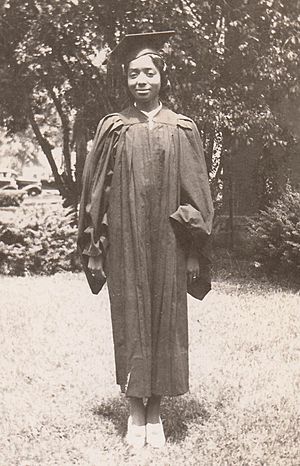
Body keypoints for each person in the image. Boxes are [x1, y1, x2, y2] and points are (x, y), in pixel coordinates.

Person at [77, 31, 214, 449]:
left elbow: (197, 194)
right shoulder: (114, 128)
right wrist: (95, 249)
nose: (141, 79)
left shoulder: (182, 128)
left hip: (170, 244)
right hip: (123, 242)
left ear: (162, 76)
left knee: (164, 322)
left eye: (149, 72)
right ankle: (135, 411)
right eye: (134, 73)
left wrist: (193, 251)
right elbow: (95, 193)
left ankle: (156, 411)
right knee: (131, 319)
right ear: (126, 78)